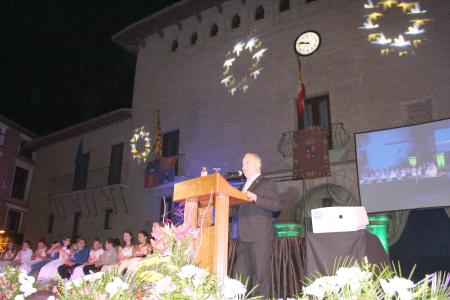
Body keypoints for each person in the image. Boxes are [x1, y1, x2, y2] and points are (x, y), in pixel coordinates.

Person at [234, 153, 280, 298]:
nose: (243, 166)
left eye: (247, 163)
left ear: (258, 165)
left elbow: (276, 205)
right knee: (240, 277)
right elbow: (235, 209)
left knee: (262, 277)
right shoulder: (241, 186)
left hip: (260, 238)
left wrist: (257, 198)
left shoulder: (267, 183)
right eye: (242, 163)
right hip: (243, 237)